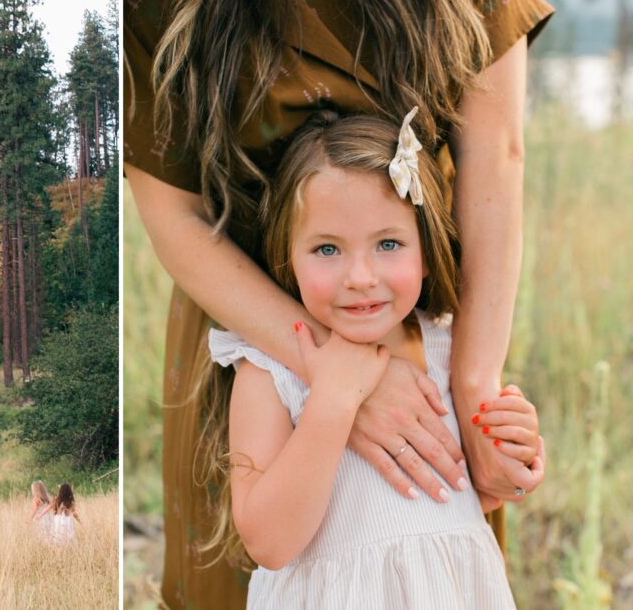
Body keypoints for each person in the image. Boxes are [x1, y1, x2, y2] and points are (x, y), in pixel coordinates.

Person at [123, 0, 553, 606]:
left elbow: (494, 152)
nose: (358, 271)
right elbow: (174, 213)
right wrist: (331, 375)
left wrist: (477, 386)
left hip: (422, 318)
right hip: (254, 315)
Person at [204, 109, 543, 607]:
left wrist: (517, 453)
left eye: (388, 244)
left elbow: (481, 490)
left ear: (426, 251)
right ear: (287, 256)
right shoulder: (271, 370)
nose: (360, 276)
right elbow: (268, 543)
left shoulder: (450, 352)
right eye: (326, 249)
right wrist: (334, 400)